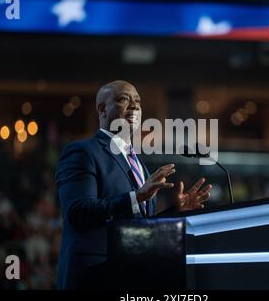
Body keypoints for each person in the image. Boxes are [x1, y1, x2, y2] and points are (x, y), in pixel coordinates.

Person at [55, 80, 212, 289]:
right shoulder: (83, 152)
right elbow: (78, 212)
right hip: (93, 275)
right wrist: (136, 197)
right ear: (102, 109)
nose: (135, 106)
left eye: (138, 102)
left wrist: (177, 211)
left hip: (131, 274)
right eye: (123, 100)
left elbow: (139, 227)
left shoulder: (138, 164)